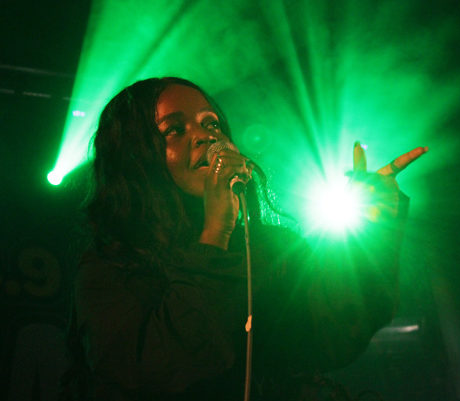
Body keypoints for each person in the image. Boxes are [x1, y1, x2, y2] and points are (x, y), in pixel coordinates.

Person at [60, 77, 428, 401]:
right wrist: (215, 232)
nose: (205, 136)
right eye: (175, 130)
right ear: (135, 157)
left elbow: (335, 338)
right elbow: (155, 369)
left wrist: (374, 232)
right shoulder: (110, 266)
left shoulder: (270, 249)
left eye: (212, 124)